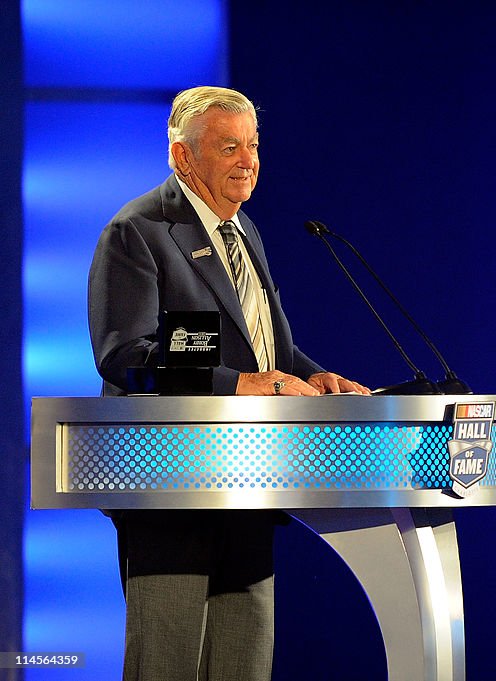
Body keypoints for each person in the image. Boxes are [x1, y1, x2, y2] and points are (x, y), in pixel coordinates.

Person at [88, 85, 370, 681]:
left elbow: (267, 351)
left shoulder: (246, 233)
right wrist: (242, 383)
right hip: (171, 487)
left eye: (254, 146)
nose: (248, 161)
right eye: (229, 148)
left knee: (244, 666)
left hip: (249, 477)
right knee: (165, 667)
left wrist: (314, 375)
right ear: (182, 157)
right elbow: (127, 359)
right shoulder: (138, 231)